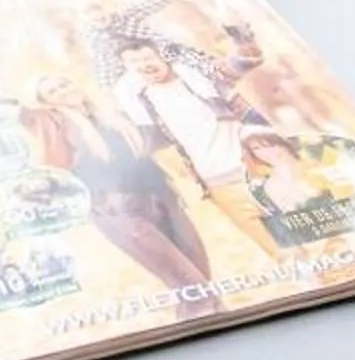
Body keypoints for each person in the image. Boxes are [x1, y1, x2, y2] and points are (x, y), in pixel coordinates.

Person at [21, 74, 221, 320]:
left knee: (200, 278)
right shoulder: (56, 124)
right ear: (46, 104)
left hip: (161, 196)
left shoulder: (110, 117)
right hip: (120, 212)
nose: (63, 91)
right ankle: (214, 330)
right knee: (192, 286)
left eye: (64, 83)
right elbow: (27, 118)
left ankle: (205, 327)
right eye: (53, 92)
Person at [110, 34, 290, 266]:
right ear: (128, 70)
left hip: (258, 166)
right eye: (134, 62)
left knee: (300, 228)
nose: (144, 64)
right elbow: (156, 149)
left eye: (147, 57)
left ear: (160, 55)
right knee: (276, 249)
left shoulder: (198, 77)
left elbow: (231, 75)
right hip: (217, 182)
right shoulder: (141, 106)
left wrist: (243, 49)